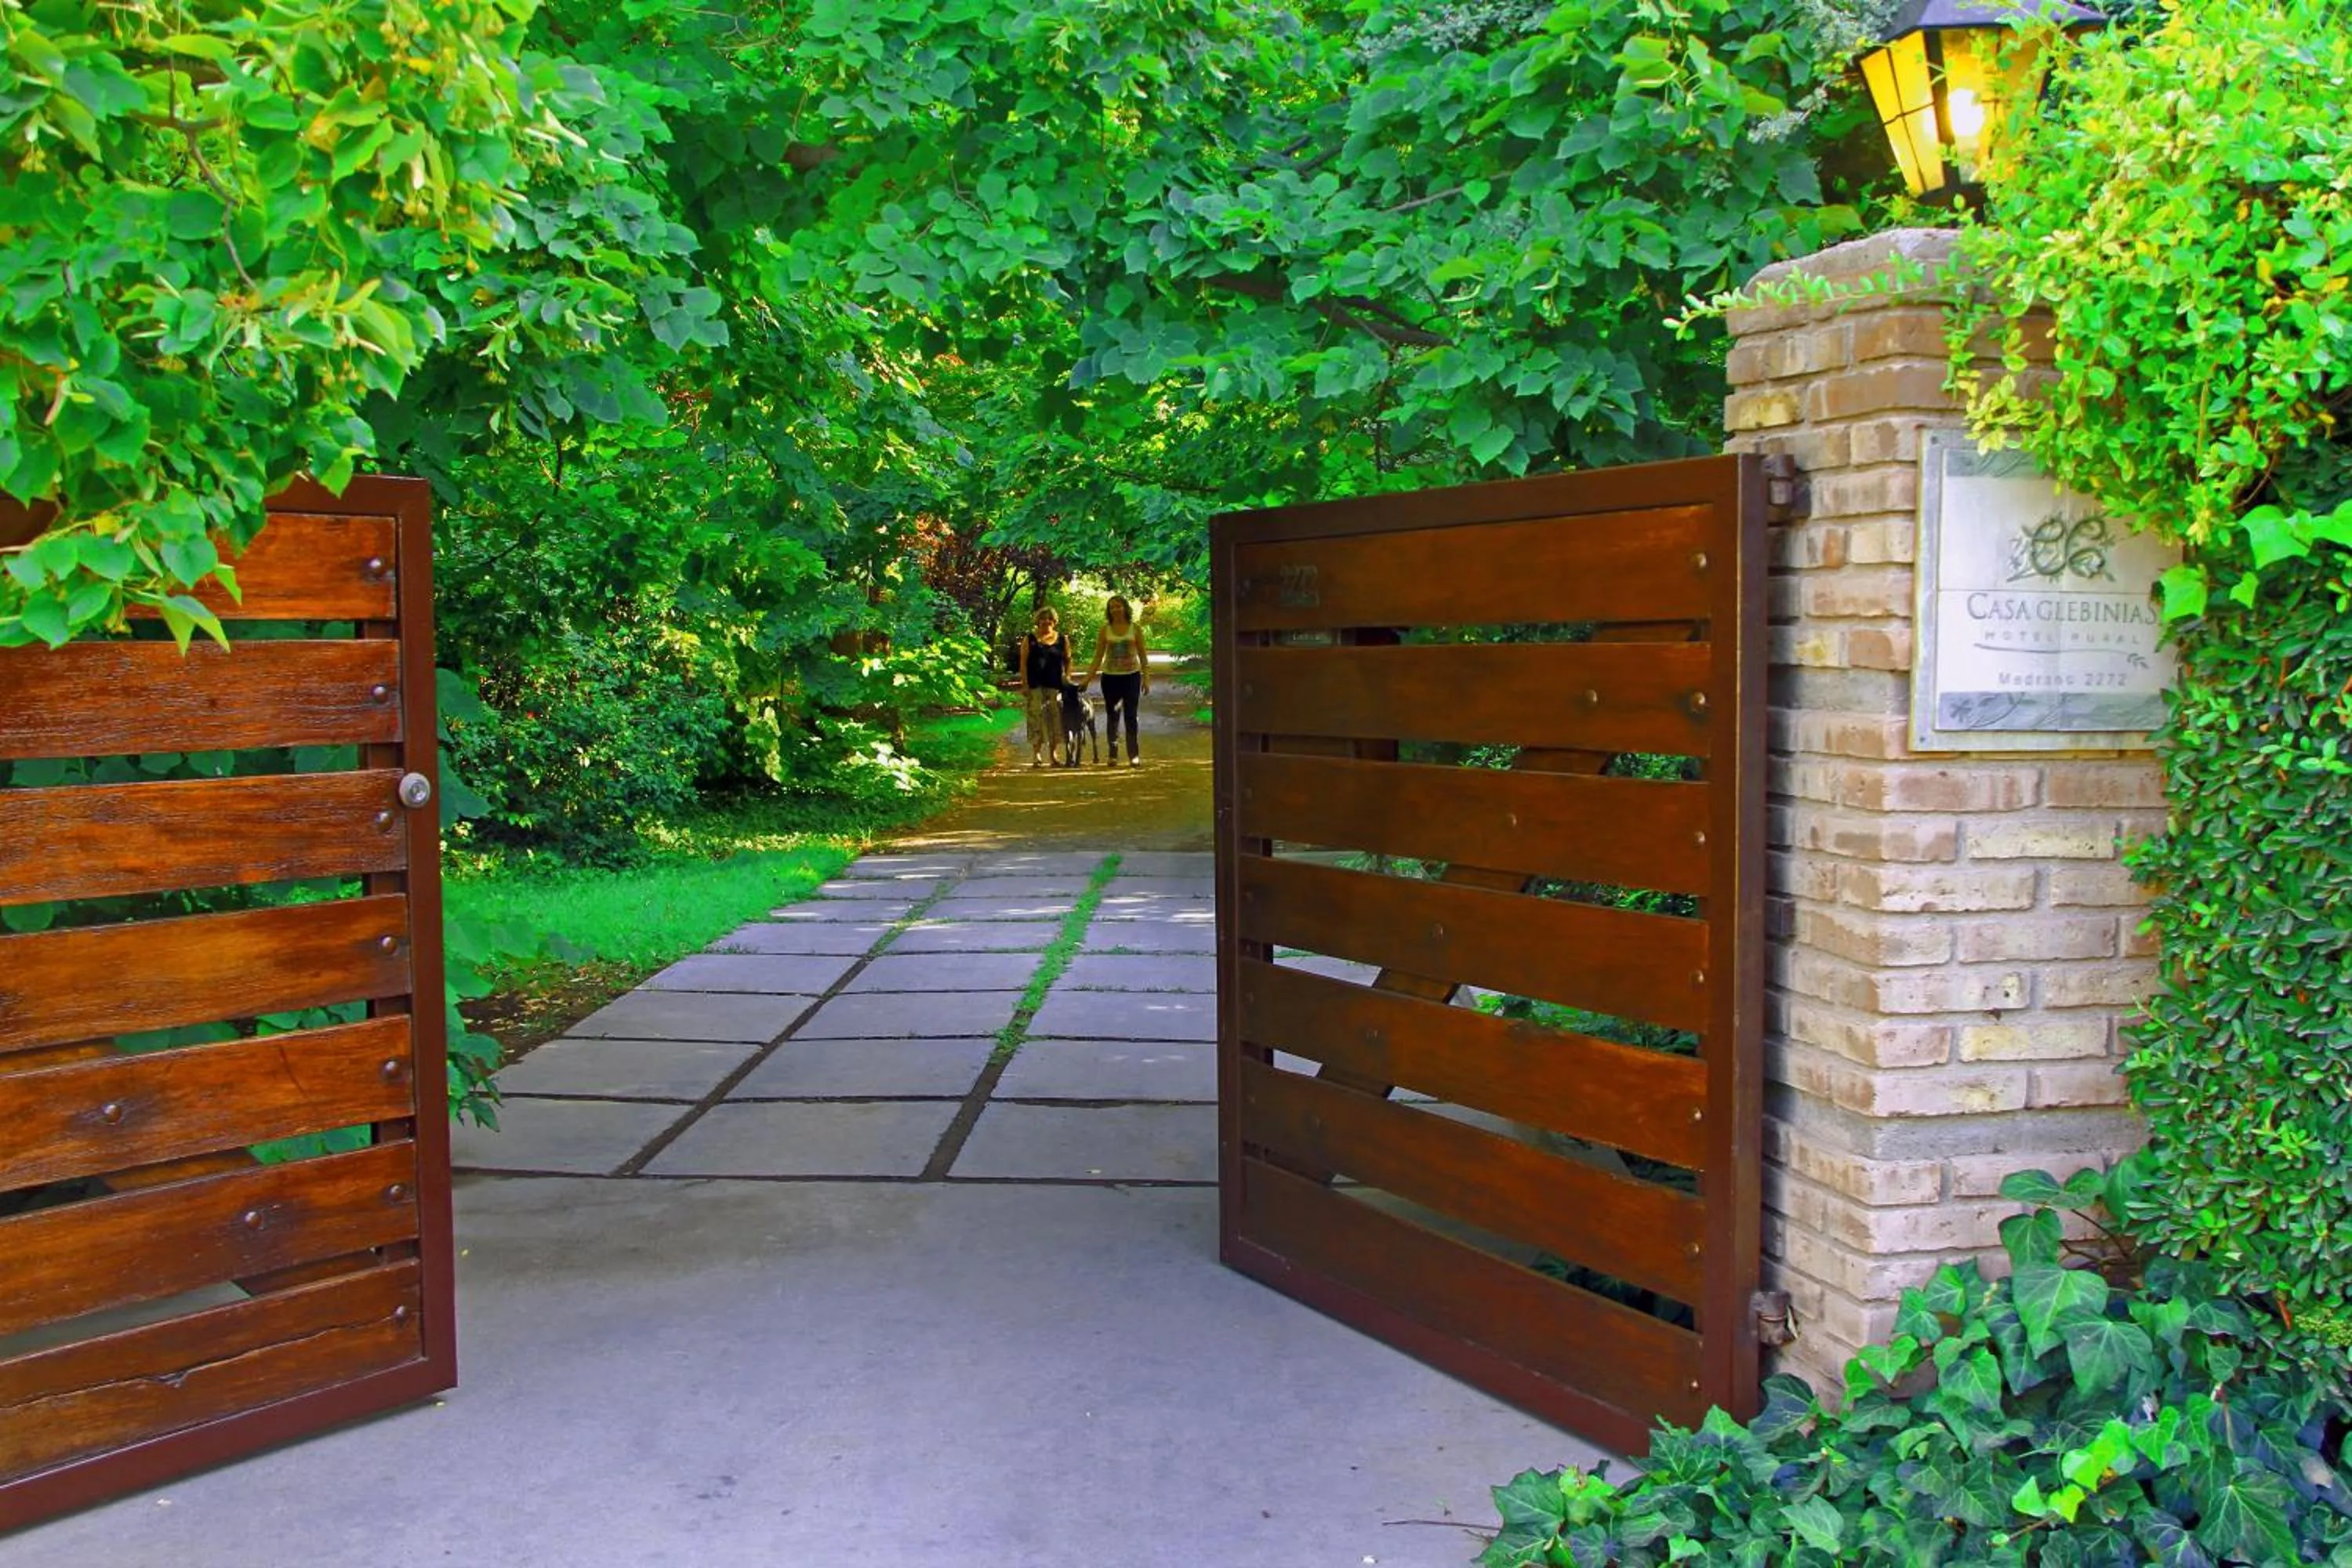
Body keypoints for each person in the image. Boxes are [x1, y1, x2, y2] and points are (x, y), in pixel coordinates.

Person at [1084, 594, 1150, 766]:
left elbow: (1143, 655)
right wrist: (1087, 679)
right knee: (1113, 715)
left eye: (1118, 606)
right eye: (1112, 607)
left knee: (1131, 716)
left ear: (1125, 608)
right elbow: (1098, 657)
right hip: (1110, 678)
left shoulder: (1135, 629)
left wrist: (1146, 678)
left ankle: (1133, 755)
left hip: (1132, 677)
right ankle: (1113, 754)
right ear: (1109, 611)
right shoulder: (1105, 630)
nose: (1115, 609)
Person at [1015, 606, 1072, 768]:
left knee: (1056, 719)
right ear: (1037, 621)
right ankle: (1037, 755)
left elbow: (1068, 660)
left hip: (1056, 686)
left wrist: (1067, 678)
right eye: (1042, 619)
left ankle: (1054, 755)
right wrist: (1024, 684)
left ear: (1054, 622)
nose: (1046, 622)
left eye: (1049, 619)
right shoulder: (1030, 639)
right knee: (1036, 719)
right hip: (1035, 685)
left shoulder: (1062, 639)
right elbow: (1023, 663)